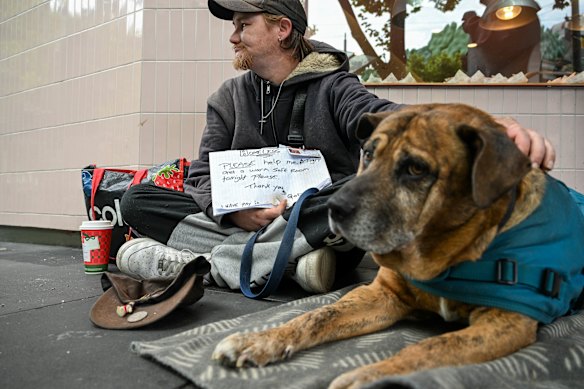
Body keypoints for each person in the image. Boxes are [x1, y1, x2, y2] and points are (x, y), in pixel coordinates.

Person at [115, 0, 555, 295]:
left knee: (348, 195)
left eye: (243, 25)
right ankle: (287, 265)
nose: (233, 36)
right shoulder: (227, 98)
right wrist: (233, 213)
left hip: (314, 215)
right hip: (247, 227)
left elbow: (384, 113)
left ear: (282, 28)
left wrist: (472, 123)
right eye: (234, 27)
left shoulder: (335, 86)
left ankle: (213, 265)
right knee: (137, 199)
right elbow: (200, 178)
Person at [462, 0, 542, 78]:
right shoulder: (496, 9)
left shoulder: (512, 7)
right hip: (498, 81)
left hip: (514, 80)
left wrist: (472, 24)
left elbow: (498, 37)